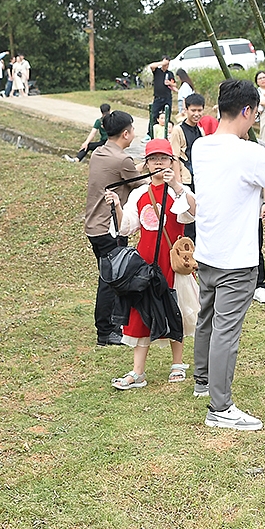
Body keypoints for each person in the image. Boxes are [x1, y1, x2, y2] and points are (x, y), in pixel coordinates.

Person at [191, 79, 265, 430]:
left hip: (209, 252)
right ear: (247, 111)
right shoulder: (248, 153)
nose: (255, 119)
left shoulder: (202, 146)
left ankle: (203, 381)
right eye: (256, 113)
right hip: (236, 261)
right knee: (226, 331)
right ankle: (220, 407)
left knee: (206, 318)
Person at [104, 138, 196, 389]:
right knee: (140, 313)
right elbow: (126, 227)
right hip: (144, 264)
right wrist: (116, 206)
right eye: (153, 159)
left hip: (172, 262)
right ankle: (137, 372)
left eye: (163, 158)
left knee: (174, 308)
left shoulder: (180, 190)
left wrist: (175, 184)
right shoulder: (138, 194)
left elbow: (192, 212)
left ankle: (178, 364)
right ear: (146, 164)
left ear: (172, 162)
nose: (158, 163)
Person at [85, 110, 142, 346]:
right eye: (133, 130)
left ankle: (113, 325)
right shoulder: (123, 160)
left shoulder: (99, 152)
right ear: (126, 133)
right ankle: (106, 331)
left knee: (110, 276)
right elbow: (141, 183)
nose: (134, 134)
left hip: (94, 226)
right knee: (111, 279)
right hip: (109, 229)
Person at [148, 57, 175, 133]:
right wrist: (162, 63)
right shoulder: (157, 71)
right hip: (158, 97)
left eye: (168, 64)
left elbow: (174, 84)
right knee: (154, 115)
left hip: (167, 97)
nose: (166, 66)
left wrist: (170, 83)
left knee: (167, 115)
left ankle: (166, 132)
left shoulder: (170, 73)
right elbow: (151, 66)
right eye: (166, 64)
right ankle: (150, 133)